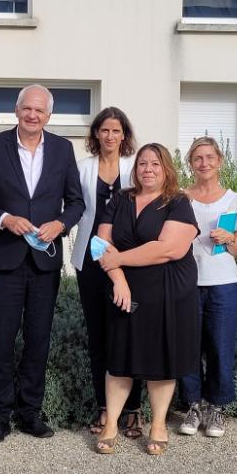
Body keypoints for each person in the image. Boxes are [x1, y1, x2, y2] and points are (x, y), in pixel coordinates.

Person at [0, 84, 84, 444]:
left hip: (44, 260)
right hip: (7, 258)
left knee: (38, 339)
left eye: (39, 110)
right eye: (27, 108)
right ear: (17, 111)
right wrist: (4, 218)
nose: (33, 115)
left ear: (49, 115)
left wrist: (61, 224)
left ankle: (30, 412)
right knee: (1, 339)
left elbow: (76, 203)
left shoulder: (63, 149)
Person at [96, 143, 200, 455]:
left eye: (155, 164)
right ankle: (111, 425)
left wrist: (118, 259)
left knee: (161, 360)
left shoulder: (178, 201)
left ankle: (158, 424)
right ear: (135, 168)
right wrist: (118, 279)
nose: (148, 169)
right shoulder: (120, 199)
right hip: (123, 289)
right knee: (119, 359)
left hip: (168, 291)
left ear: (166, 168)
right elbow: (100, 244)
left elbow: (168, 249)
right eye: (143, 163)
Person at [71, 107, 143, 438]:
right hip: (91, 260)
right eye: (105, 130)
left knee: (130, 334)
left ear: (124, 135)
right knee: (98, 336)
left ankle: (133, 410)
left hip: (128, 258)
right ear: (96, 134)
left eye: (116, 130)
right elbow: (73, 207)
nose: (110, 136)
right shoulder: (83, 168)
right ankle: (104, 406)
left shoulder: (136, 166)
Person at [177, 137, 237, 438]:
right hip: (187, 283)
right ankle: (193, 405)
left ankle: (216, 407)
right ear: (190, 164)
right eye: (198, 158)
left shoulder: (233, 199)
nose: (204, 163)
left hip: (223, 283)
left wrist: (229, 238)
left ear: (219, 160)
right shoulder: (181, 198)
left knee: (220, 347)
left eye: (209, 157)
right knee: (188, 347)